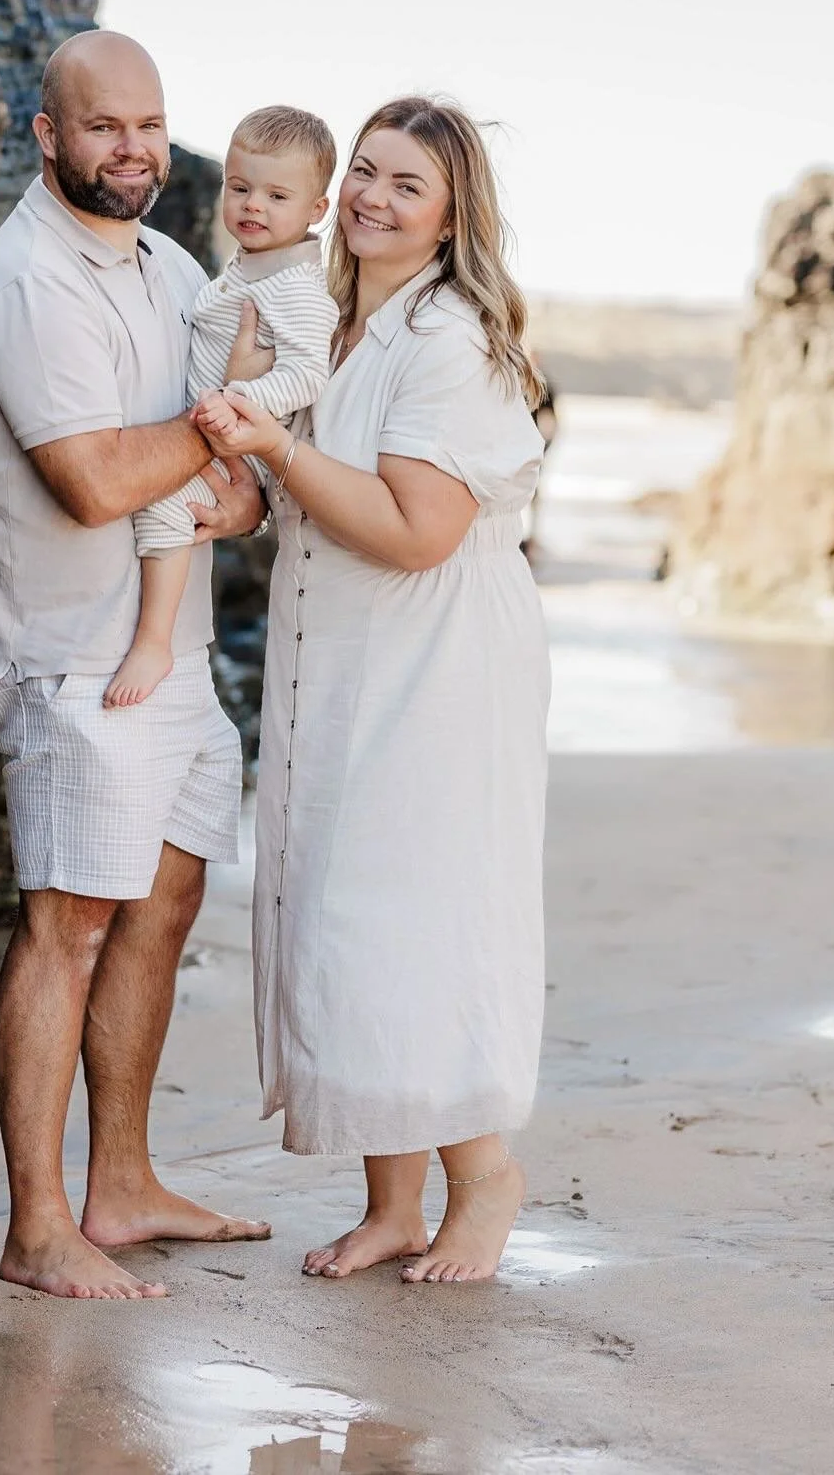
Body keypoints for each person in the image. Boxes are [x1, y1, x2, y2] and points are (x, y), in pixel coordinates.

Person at [0, 30, 271, 1300]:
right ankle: (36, 1225)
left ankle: (120, 1184)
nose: (131, 148)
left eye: (147, 124)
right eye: (102, 126)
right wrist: (204, 446)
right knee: (65, 925)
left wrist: (226, 484)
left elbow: (227, 479)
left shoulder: (170, 261)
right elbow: (93, 484)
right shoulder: (25, 283)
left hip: (168, 650)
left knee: (163, 903)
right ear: (48, 136)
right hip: (63, 661)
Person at [196, 95, 550, 1285]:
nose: (370, 197)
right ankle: (391, 1199)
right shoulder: (337, 318)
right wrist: (247, 483)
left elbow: (416, 531)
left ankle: (483, 1174)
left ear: (452, 217)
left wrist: (277, 453)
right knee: (341, 910)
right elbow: (305, 492)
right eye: (363, 172)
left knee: (412, 911)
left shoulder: (445, 337)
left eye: (406, 182)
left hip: (435, 664)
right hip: (341, 650)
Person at [104, 105, 339, 708]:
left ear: (317, 211)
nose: (253, 205)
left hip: (242, 445)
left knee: (164, 505)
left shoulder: (298, 290)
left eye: (276, 195)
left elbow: (308, 372)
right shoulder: (248, 269)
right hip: (214, 427)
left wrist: (242, 401)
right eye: (240, 188)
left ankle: (155, 640)